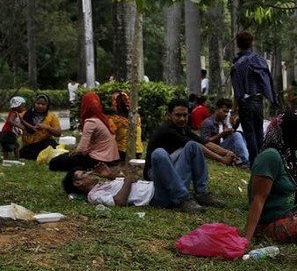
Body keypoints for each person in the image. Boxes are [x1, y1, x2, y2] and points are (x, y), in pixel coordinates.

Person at [244, 111, 297, 244]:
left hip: (293, 214)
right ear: (292, 132)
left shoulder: (296, 157)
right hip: (270, 223)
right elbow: (258, 199)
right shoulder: (270, 157)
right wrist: (246, 240)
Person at [62, 157, 214, 213]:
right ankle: (183, 199)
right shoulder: (94, 196)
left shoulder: (101, 184)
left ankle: (201, 193)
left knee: (192, 147)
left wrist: (111, 176)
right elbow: (119, 201)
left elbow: (121, 184)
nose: (88, 173)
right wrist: (128, 178)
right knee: (158, 154)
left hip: (157, 186)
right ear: (78, 183)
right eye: (84, 174)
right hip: (155, 196)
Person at [143, 97, 235, 182]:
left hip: (168, 167)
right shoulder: (168, 130)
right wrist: (221, 159)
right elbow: (195, 145)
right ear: (169, 115)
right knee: (189, 148)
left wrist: (227, 153)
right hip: (153, 174)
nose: (182, 119)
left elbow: (203, 142)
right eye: (178, 115)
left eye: (185, 115)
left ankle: (198, 191)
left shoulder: (183, 127)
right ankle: (190, 192)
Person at [230, 30, 279, 163]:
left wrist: (234, 110)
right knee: (259, 132)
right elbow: (266, 82)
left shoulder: (238, 65)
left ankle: (255, 162)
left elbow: (237, 91)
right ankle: (262, 160)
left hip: (245, 102)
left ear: (238, 44)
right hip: (258, 100)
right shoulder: (260, 60)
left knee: (249, 132)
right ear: (251, 43)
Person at [49, 93, 120, 172]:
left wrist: (75, 152)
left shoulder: (91, 122)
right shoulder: (103, 119)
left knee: (55, 162)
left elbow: (81, 150)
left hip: (98, 160)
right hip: (112, 158)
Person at [200, 98, 250, 167]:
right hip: (214, 149)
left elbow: (229, 139)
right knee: (237, 135)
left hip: (224, 148)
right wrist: (221, 134)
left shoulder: (223, 122)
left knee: (241, 134)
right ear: (217, 108)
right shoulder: (207, 122)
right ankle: (245, 161)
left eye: (227, 112)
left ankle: (244, 159)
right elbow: (204, 142)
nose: (226, 114)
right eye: (224, 111)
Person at [19, 93, 62, 160]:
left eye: (43, 104)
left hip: (44, 143)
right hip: (29, 145)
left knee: (53, 146)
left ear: (47, 106)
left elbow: (58, 133)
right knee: (23, 152)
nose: (40, 106)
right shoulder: (24, 114)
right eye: (38, 103)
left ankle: (44, 155)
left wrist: (46, 127)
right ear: (34, 104)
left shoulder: (51, 116)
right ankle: (43, 155)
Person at [108, 91, 143, 161]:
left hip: (122, 153)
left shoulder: (114, 120)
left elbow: (110, 138)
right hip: (138, 151)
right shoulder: (136, 117)